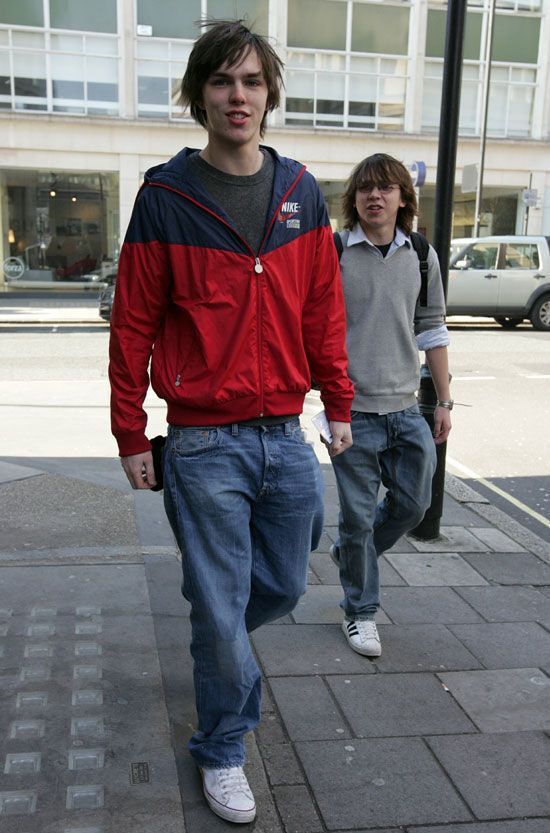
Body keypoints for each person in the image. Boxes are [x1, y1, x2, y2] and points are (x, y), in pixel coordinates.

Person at [108, 20, 353, 825]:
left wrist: (339, 402)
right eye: (221, 81)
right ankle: (221, 747)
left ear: (268, 93)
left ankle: (218, 631)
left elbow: (323, 310)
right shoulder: (165, 197)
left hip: (285, 435)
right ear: (198, 95)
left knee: (281, 582)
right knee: (220, 608)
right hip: (205, 443)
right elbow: (133, 326)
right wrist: (132, 434)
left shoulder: (302, 192)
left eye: (250, 81)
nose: (237, 95)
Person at [331, 153, 452, 659]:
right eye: (365, 188)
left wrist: (444, 400)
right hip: (353, 411)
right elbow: (315, 330)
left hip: (406, 408)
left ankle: (351, 557)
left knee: (413, 506)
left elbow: (434, 329)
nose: (373, 196)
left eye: (385, 188)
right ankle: (360, 612)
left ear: (403, 198)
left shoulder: (421, 254)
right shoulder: (333, 251)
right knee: (357, 519)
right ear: (354, 198)